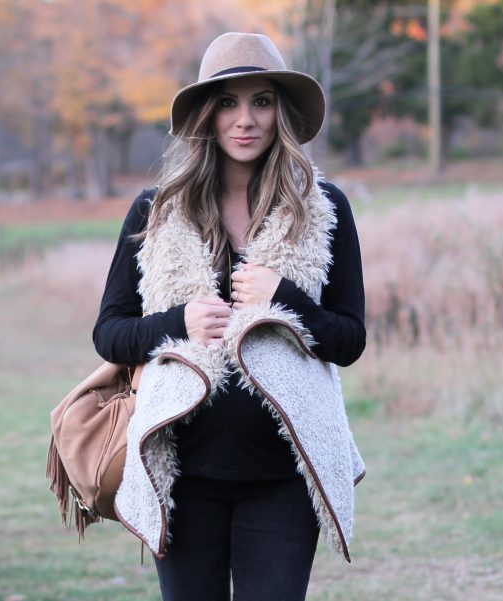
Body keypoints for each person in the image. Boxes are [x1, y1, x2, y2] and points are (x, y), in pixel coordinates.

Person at [92, 32, 366, 601]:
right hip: (183, 476)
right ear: (206, 116)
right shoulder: (156, 211)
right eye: (228, 102)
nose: (246, 120)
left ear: (281, 113)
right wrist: (177, 322)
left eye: (262, 101)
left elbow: (349, 338)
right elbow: (110, 333)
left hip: (284, 480)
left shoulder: (324, 208)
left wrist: (285, 299)